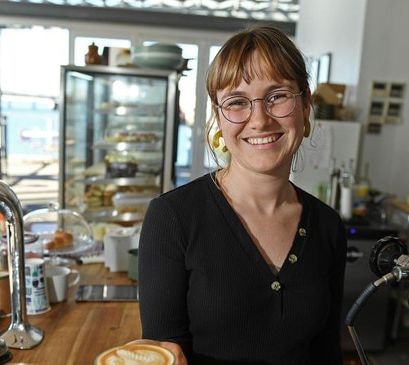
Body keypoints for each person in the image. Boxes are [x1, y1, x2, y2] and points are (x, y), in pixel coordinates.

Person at [135, 26, 347, 365]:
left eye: (277, 95)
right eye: (236, 102)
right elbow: (164, 352)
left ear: (305, 105)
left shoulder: (327, 225)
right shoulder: (173, 217)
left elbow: (326, 352)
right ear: (219, 117)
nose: (259, 120)